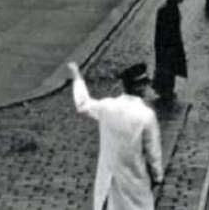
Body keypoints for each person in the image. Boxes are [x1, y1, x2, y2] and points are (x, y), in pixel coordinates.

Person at [67, 61, 164, 210]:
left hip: (110, 183)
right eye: (146, 84)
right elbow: (153, 153)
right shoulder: (146, 116)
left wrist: (77, 76)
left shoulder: (107, 107)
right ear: (141, 87)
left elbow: (83, 105)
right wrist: (158, 177)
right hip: (136, 184)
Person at [153, 0, 187, 105]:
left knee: (168, 67)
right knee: (168, 67)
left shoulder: (169, 8)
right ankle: (165, 91)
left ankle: (166, 90)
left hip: (167, 44)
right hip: (168, 44)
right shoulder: (168, 10)